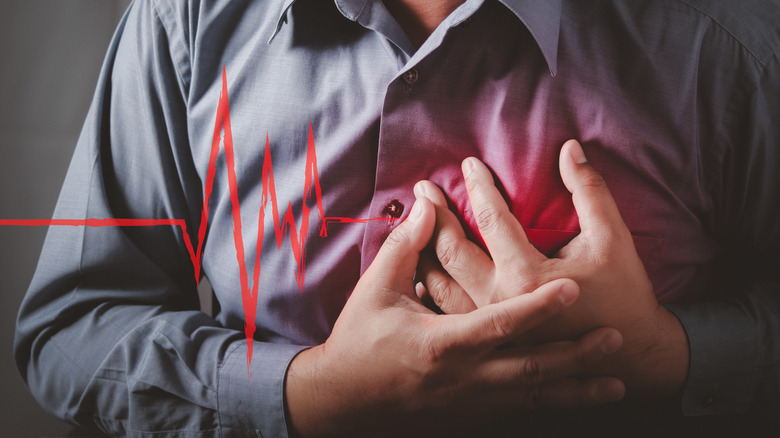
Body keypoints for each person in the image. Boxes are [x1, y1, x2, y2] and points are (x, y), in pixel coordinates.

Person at [14, 0, 780, 436]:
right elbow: (72, 326)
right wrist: (306, 393)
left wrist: (666, 352)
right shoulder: (185, 20)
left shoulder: (734, 44)